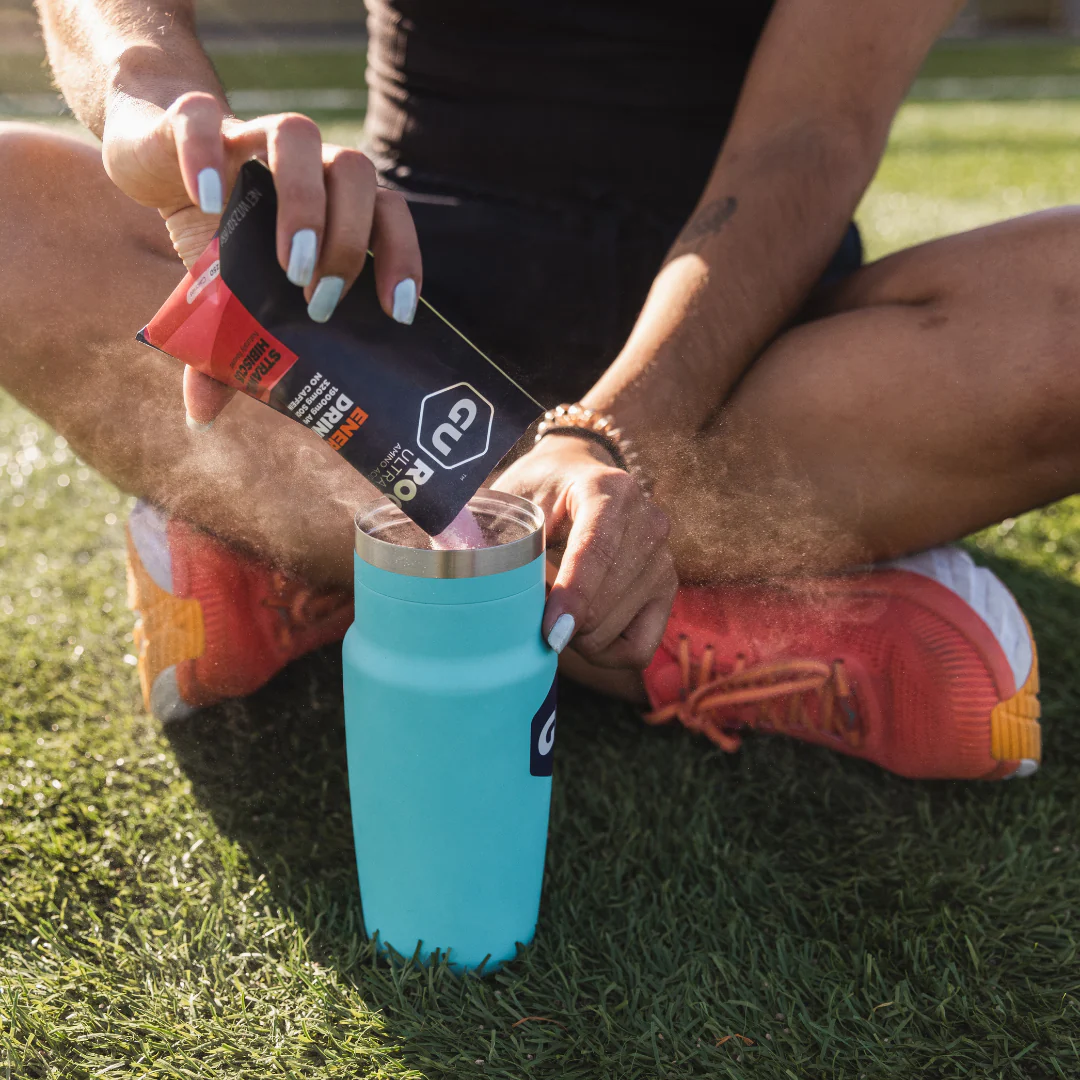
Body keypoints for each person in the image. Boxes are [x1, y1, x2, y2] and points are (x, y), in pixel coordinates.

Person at [1, 0, 1053, 780]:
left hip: (745, 357)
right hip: (403, 335)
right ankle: (661, 624)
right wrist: (154, 96)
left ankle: (354, 562)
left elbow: (809, 135)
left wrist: (603, 436)